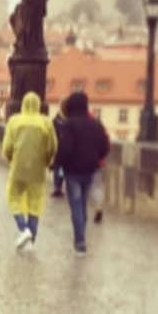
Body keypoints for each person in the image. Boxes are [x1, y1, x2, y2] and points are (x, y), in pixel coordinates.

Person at [53, 90, 111, 256]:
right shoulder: (95, 123)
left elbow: (65, 148)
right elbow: (105, 146)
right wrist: (96, 158)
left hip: (73, 171)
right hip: (90, 169)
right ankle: (81, 237)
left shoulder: (69, 124)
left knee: (76, 205)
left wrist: (57, 163)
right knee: (83, 203)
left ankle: (80, 242)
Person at [2, 91, 58, 250]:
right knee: (35, 203)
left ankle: (23, 228)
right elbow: (53, 146)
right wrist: (47, 160)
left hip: (18, 167)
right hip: (38, 169)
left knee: (12, 197)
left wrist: (10, 159)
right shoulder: (46, 122)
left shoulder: (14, 121)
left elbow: (7, 147)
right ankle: (31, 241)